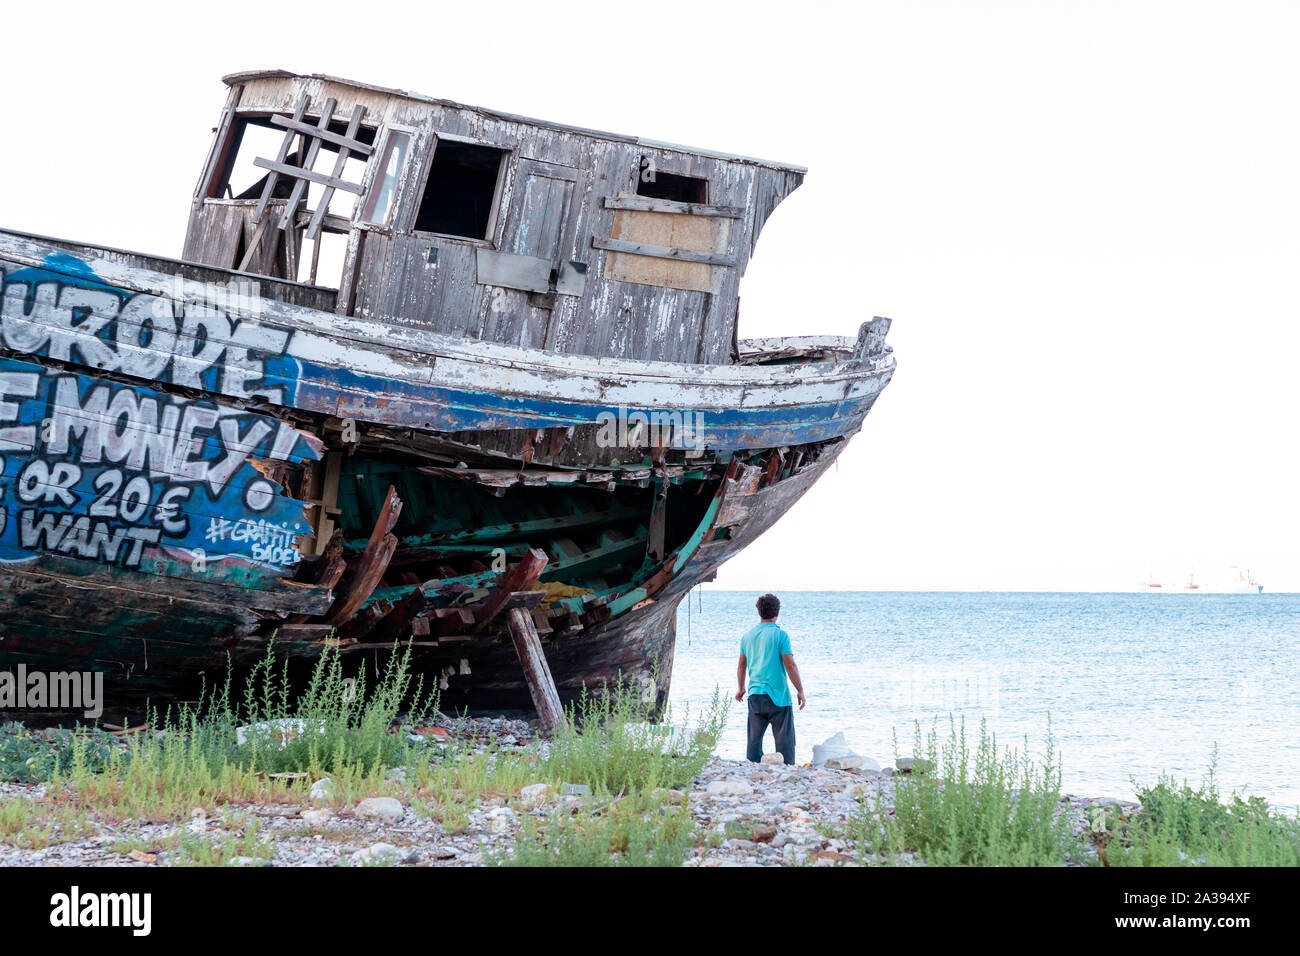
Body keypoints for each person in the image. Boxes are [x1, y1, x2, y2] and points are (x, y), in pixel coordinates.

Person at [735, 593, 806, 765]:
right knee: (785, 743)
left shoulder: (747, 636)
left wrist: (741, 687)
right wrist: (800, 690)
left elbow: (741, 665)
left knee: (754, 741)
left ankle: (752, 769)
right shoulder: (781, 635)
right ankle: (787, 770)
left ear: (759, 612)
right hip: (777, 697)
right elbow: (790, 665)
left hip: (755, 695)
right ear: (777, 613)